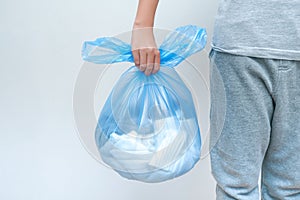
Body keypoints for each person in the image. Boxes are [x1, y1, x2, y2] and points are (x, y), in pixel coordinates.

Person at [131, 0, 300, 199]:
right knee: (238, 186)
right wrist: (142, 25)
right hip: (240, 51)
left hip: (242, 50)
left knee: (290, 186)